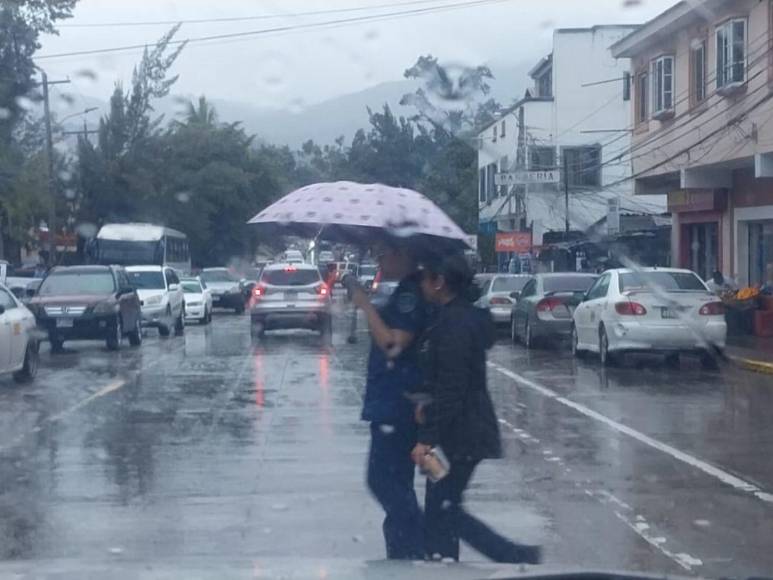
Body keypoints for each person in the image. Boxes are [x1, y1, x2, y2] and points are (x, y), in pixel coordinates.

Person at [411, 252, 541, 564]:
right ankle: (445, 559)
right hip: (461, 431)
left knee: (443, 508)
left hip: (464, 433)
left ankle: (513, 556)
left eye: (424, 278)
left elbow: (452, 387)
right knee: (443, 506)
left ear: (439, 282)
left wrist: (427, 437)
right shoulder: (454, 318)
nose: (420, 286)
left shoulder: (454, 325)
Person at [344, 241, 427, 560]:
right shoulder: (404, 291)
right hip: (394, 400)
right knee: (398, 484)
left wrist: (365, 304)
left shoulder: (409, 293)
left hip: (397, 404)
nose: (379, 258)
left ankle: (415, 547)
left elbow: (393, 343)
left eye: (384, 252)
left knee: (381, 480)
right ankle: (405, 553)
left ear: (403, 254)